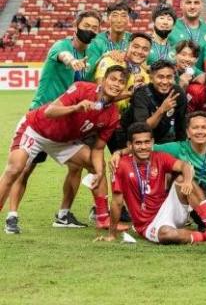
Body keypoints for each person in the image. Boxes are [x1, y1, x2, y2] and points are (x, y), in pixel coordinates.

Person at [4, 10, 102, 234]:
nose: (91, 30)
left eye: (95, 27)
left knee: (77, 166)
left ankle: (63, 215)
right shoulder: (61, 47)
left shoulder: (91, 53)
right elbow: (63, 57)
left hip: (66, 122)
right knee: (24, 168)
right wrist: (73, 62)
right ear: (76, 25)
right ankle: (12, 216)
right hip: (41, 119)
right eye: (87, 25)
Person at [0, 66, 129, 230]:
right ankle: (11, 214)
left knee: (97, 166)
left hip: (63, 141)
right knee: (15, 169)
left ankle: (103, 218)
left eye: (121, 82)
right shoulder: (82, 88)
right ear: (103, 81)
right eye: (113, 79)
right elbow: (50, 111)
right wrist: (75, 108)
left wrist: (97, 172)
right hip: (35, 129)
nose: (116, 84)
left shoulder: (112, 114)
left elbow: (97, 149)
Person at [104, 122, 206, 245]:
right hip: (148, 224)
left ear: (152, 142)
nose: (143, 147)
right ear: (129, 145)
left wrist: (188, 181)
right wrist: (112, 234)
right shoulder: (121, 165)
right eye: (138, 143)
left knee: (182, 180)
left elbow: (185, 166)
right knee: (166, 234)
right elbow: (117, 202)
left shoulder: (160, 157)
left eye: (146, 142)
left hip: (169, 209)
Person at [123, 60, 186, 146]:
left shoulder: (178, 92)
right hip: (130, 138)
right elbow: (143, 129)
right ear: (151, 78)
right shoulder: (141, 94)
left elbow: (181, 126)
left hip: (160, 137)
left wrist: (182, 148)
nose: (165, 82)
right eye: (160, 77)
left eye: (169, 77)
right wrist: (162, 109)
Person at [169, 0, 206, 71]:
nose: (192, 6)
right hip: (176, 80)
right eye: (188, 2)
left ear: (201, 5)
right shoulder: (170, 28)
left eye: (196, 3)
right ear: (181, 4)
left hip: (202, 82)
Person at [85, 1, 132, 80]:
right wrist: (104, 56)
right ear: (107, 19)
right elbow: (87, 74)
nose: (119, 20)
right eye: (115, 15)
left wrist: (129, 58)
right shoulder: (96, 41)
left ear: (129, 19)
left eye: (124, 16)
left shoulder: (134, 40)